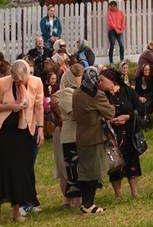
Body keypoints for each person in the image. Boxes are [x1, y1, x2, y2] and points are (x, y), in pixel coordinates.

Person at [0, 59, 43, 224]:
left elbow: (39, 107)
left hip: (25, 133)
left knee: (21, 171)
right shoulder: (3, 83)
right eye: (16, 80)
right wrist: (11, 106)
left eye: (21, 80)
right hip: (5, 133)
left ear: (27, 74)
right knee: (4, 171)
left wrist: (40, 129)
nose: (19, 83)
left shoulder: (36, 83)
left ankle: (16, 211)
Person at [72, 67, 115, 215]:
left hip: (81, 136)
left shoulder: (77, 94)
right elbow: (110, 113)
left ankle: (86, 203)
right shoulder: (97, 95)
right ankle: (88, 205)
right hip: (94, 138)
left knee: (84, 172)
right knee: (93, 173)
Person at [101, 68, 142, 199]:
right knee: (114, 163)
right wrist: (110, 121)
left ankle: (135, 193)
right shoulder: (101, 95)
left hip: (128, 132)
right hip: (112, 134)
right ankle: (118, 194)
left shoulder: (127, 91)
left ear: (112, 80)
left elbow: (139, 108)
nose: (100, 83)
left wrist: (128, 117)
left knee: (132, 161)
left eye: (102, 80)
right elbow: (98, 114)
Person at [54, 65, 84, 208]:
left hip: (81, 133)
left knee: (81, 166)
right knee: (68, 168)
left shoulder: (81, 92)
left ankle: (81, 198)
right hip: (68, 134)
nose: (79, 79)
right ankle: (70, 200)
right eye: (77, 76)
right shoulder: (65, 93)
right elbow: (73, 113)